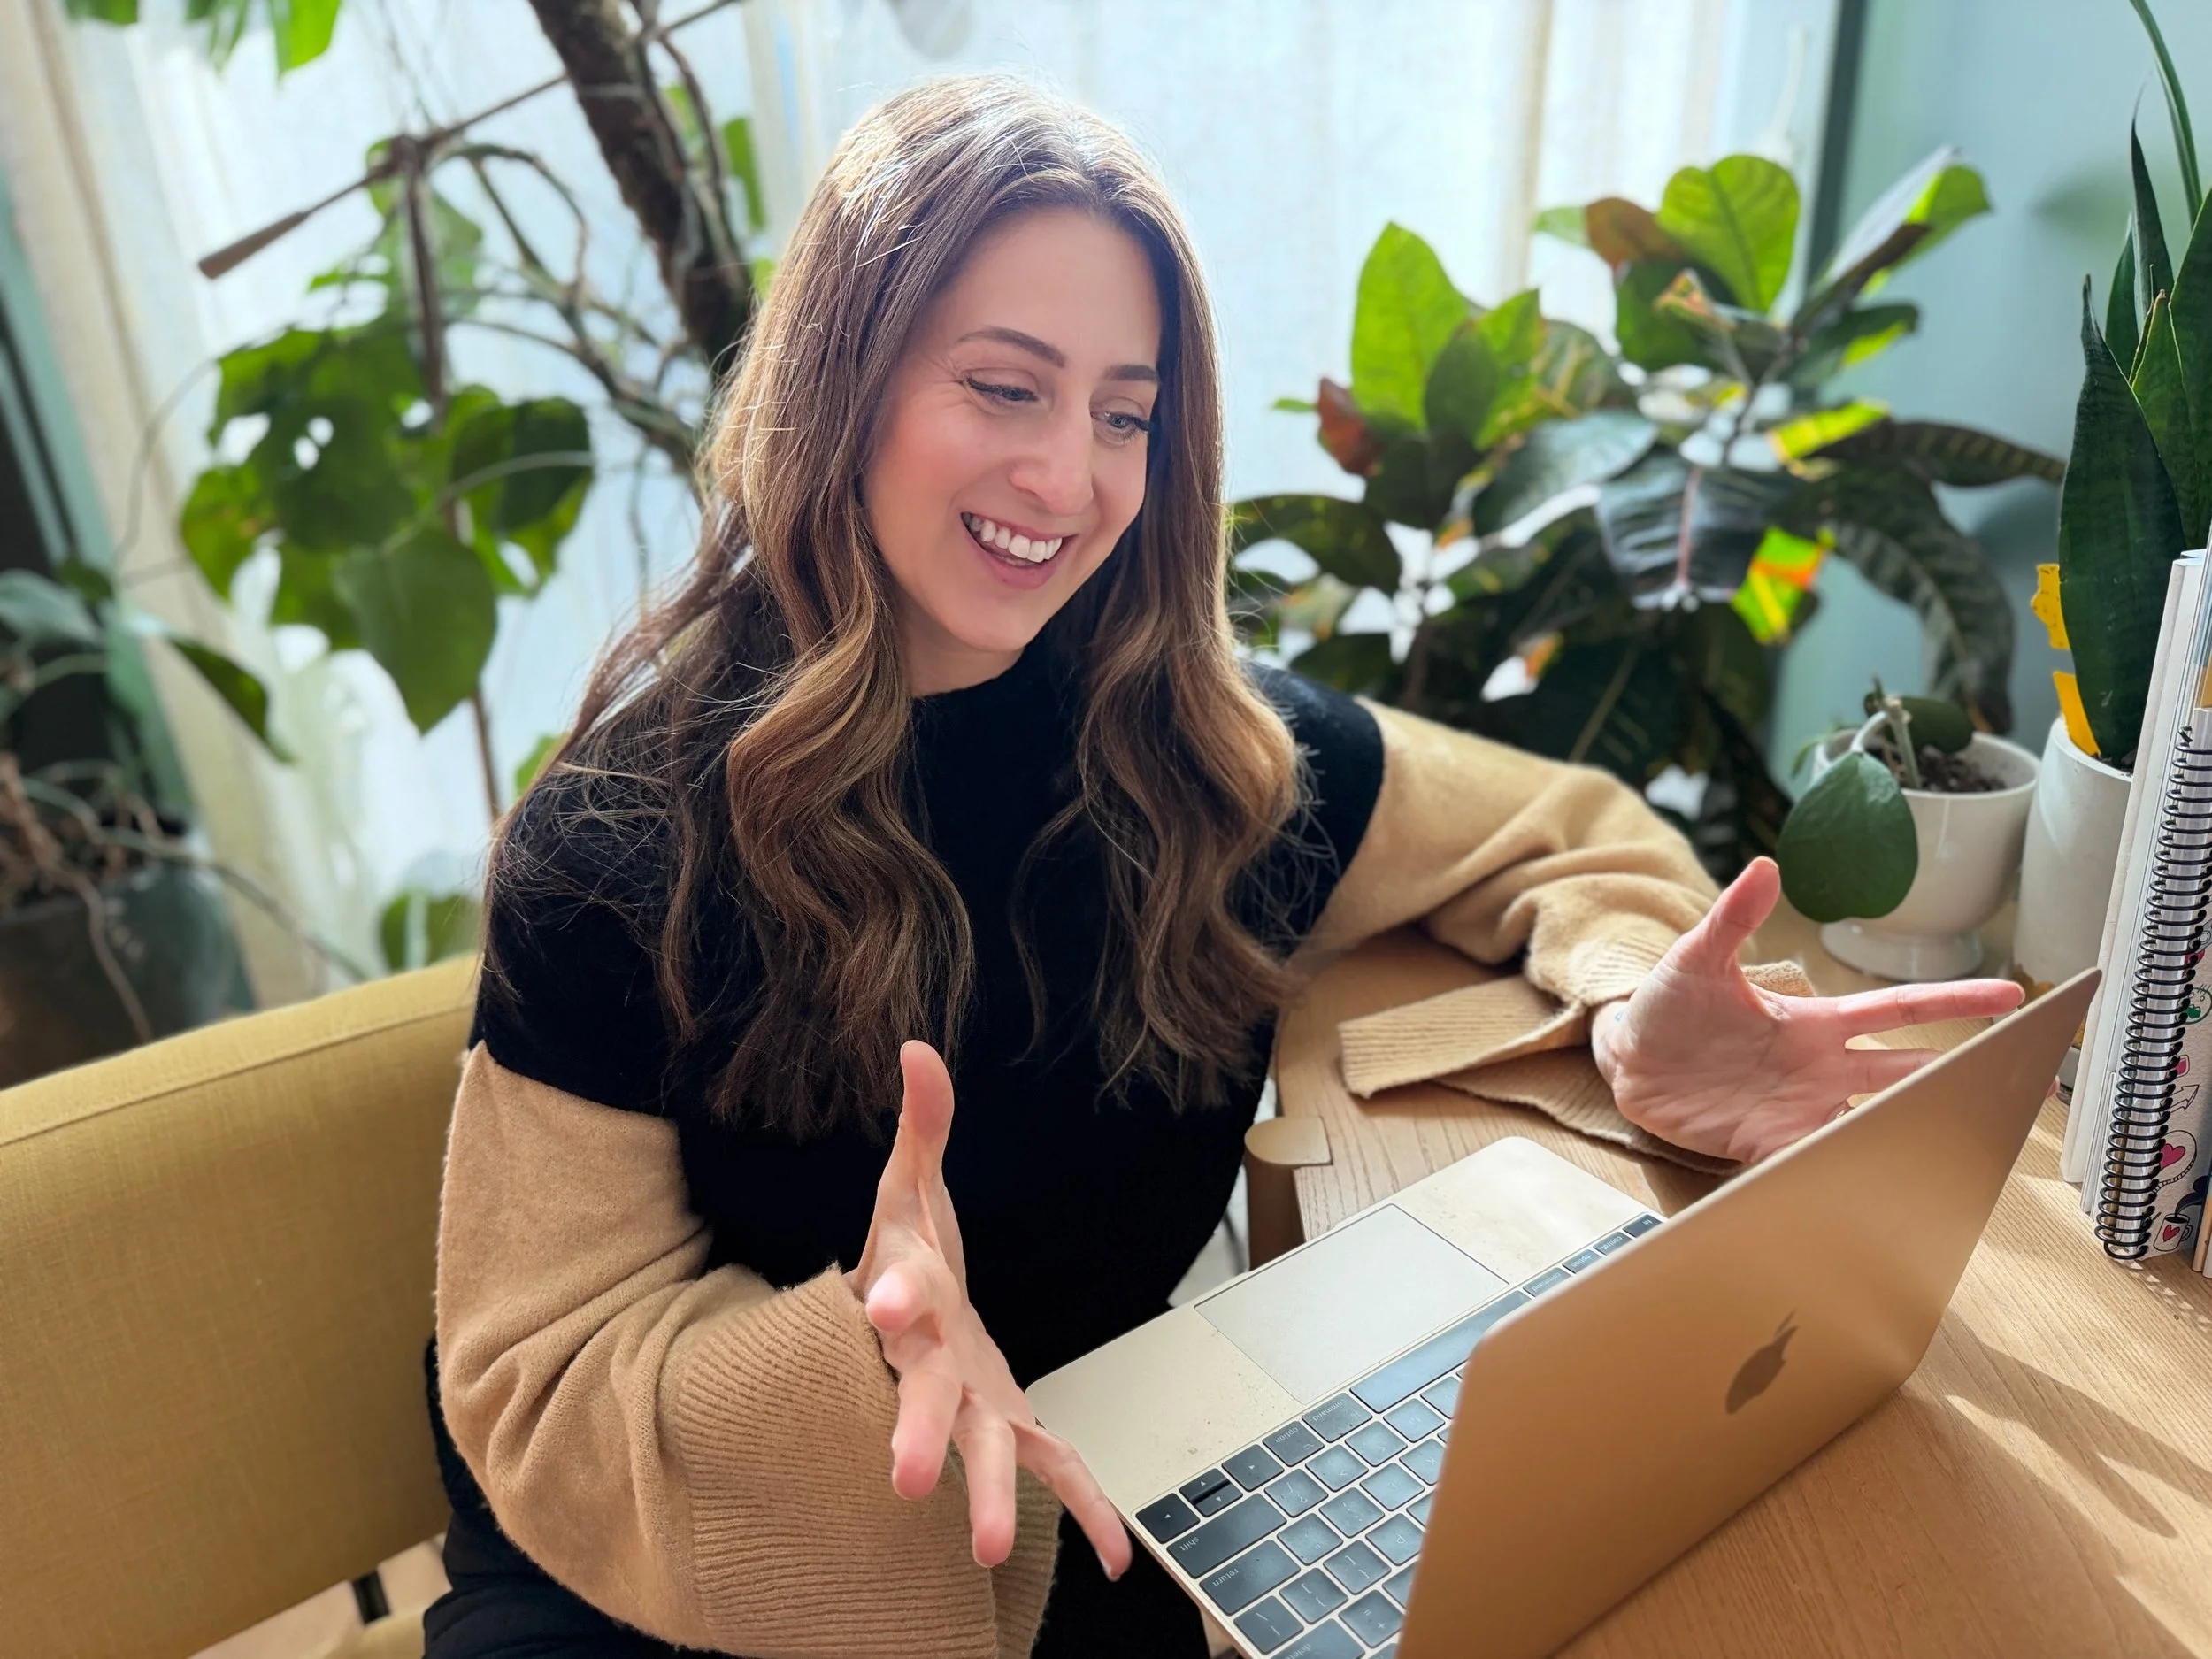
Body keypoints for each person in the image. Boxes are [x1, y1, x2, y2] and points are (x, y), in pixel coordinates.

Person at [423, 73, 2023, 1659]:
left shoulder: (1204, 759)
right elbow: (538, 1382)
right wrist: (857, 1360)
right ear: (840, 383)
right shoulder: (616, 842)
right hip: (655, 1583)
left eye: (1125, 414)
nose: (1071, 478)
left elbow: (1556, 828)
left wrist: (1625, 997)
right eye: (1005, 387)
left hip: (1091, 1508)